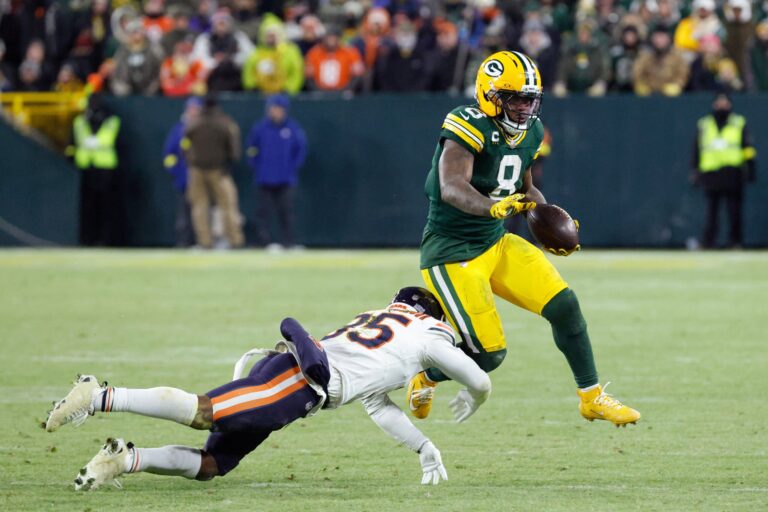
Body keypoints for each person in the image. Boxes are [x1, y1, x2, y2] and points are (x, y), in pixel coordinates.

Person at [44, 288, 492, 489]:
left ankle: (123, 460)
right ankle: (100, 395)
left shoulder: (386, 327)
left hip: (302, 383)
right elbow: (479, 377)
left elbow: (377, 405)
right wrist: (476, 394)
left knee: (214, 464)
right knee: (207, 410)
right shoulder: (430, 333)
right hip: (297, 380)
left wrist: (423, 447)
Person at [407, 51, 641, 428]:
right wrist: (492, 208)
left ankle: (591, 397)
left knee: (565, 306)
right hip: (452, 252)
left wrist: (548, 220)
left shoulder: (531, 130)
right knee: (488, 356)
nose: (524, 107)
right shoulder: (467, 123)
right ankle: (427, 372)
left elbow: (527, 186)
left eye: (530, 98)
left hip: (495, 243)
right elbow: (451, 187)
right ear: (490, 94)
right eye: (515, 98)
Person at [691, 92, 757, 248]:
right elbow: (697, 149)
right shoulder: (704, 124)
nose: (722, 105)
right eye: (719, 102)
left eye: (725, 102)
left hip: (732, 172)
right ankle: (708, 241)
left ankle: (735, 241)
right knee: (711, 212)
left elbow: (747, 148)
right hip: (711, 172)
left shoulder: (738, 122)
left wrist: (751, 168)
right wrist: (695, 170)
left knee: (734, 210)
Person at [183, 94, 245, 249]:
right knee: (228, 206)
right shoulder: (225, 123)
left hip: (197, 169)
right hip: (219, 170)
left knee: (199, 207)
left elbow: (184, 145)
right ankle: (235, 241)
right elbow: (234, 148)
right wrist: (229, 164)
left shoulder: (194, 123)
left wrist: (191, 160)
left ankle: (205, 242)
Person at [245, 94, 307, 249]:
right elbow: (251, 150)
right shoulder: (259, 128)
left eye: (278, 108)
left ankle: (288, 242)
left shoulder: (292, 128)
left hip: (285, 179)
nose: (275, 111)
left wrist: (291, 167)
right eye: (272, 108)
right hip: (264, 177)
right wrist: (257, 166)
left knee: (286, 212)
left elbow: (300, 150)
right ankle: (264, 241)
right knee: (263, 213)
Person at [68, 93, 121, 247]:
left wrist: (94, 142)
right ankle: (87, 239)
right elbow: (72, 143)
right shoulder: (80, 121)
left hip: (105, 170)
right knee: (87, 208)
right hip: (85, 169)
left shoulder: (110, 120)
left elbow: (108, 139)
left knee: (106, 208)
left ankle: (105, 240)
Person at [162, 97, 201, 247]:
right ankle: (184, 242)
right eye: (191, 109)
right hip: (183, 180)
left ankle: (201, 241)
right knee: (184, 214)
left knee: (201, 212)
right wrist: (175, 171)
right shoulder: (178, 130)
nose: (193, 112)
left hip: (202, 179)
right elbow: (169, 154)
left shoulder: (204, 129)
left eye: (196, 109)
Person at [633, 25, 689, 96]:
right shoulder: (645, 57)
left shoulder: (677, 58)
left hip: (671, 98)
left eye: (662, 37)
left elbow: (683, 74)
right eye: (657, 37)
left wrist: (677, 85)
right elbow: (637, 74)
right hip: (648, 97)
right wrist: (641, 85)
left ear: (668, 38)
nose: (659, 40)